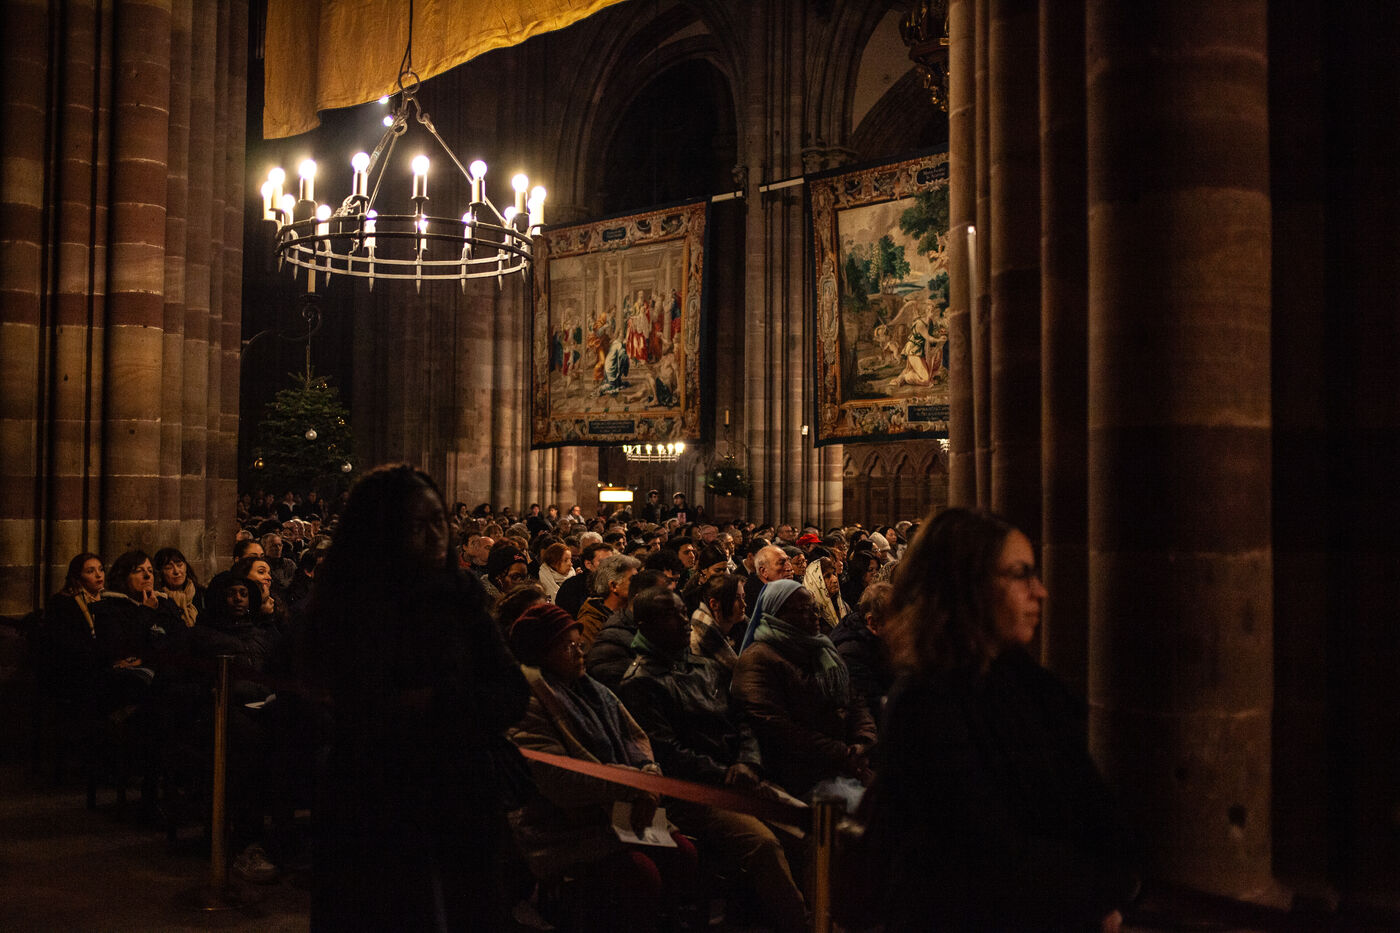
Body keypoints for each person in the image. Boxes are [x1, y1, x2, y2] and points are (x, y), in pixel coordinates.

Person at [851, 508, 1139, 932]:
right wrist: (1095, 893)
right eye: (1021, 575)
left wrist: (1113, 881)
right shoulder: (925, 704)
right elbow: (987, 854)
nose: (1040, 592)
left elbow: (1091, 803)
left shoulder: (1029, 687)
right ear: (965, 585)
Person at [301, 464, 529, 931]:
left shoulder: (462, 595)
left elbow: (510, 691)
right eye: (416, 525)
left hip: (460, 790)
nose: (435, 536)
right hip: (374, 795)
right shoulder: (347, 602)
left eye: (439, 521)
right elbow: (339, 693)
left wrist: (437, 703)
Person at [616, 589, 808, 933]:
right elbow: (667, 753)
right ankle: (802, 925)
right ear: (645, 626)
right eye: (671, 615)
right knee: (763, 844)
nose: (684, 621)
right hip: (692, 793)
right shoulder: (640, 682)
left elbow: (742, 721)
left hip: (736, 777)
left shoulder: (703, 665)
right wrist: (727, 774)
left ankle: (802, 913)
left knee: (806, 827)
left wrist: (748, 763)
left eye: (683, 612)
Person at [506, 602, 696, 928]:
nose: (580, 652)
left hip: (617, 808)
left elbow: (634, 738)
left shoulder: (591, 689)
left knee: (683, 853)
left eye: (579, 643)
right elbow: (560, 780)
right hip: (562, 824)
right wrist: (637, 787)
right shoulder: (527, 703)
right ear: (541, 654)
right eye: (567, 646)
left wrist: (649, 777)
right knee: (641, 875)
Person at [730, 580, 876, 797]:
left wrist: (863, 740)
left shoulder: (822, 650)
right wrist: (843, 753)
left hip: (843, 762)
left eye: (815, 608)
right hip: (800, 775)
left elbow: (854, 699)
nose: (815, 616)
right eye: (803, 610)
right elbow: (778, 729)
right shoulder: (758, 659)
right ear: (776, 615)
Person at [153, 547, 203, 628]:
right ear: (160, 573)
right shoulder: (157, 599)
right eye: (169, 568)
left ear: (186, 567)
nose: (176, 571)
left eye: (179, 565)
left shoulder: (200, 593)